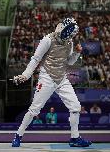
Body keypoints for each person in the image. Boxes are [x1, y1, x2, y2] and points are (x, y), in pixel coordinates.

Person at [12, 17, 92, 147]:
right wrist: (25, 75)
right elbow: (36, 59)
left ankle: (75, 138)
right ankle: (18, 135)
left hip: (61, 78)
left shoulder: (70, 42)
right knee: (34, 110)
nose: (69, 37)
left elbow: (69, 62)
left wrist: (77, 53)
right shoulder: (47, 40)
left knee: (76, 107)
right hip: (47, 77)